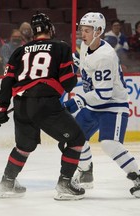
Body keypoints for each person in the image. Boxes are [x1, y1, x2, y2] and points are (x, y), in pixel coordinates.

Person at [0, 13, 86, 200]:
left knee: (24, 146)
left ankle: (7, 182)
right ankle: (65, 183)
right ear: (50, 29)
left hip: (21, 103)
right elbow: (68, 83)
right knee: (76, 138)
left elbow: (7, 82)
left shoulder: (19, 51)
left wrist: (1, 107)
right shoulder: (61, 47)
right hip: (45, 103)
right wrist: (73, 73)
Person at [64, 12, 140, 198]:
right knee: (73, 137)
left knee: (109, 144)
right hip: (94, 104)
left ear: (98, 31)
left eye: (87, 30)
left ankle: (137, 177)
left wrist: (77, 101)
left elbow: (104, 95)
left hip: (113, 105)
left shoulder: (105, 56)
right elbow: (82, 63)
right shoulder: (86, 45)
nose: (83, 34)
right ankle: (86, 171)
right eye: (82, 30)